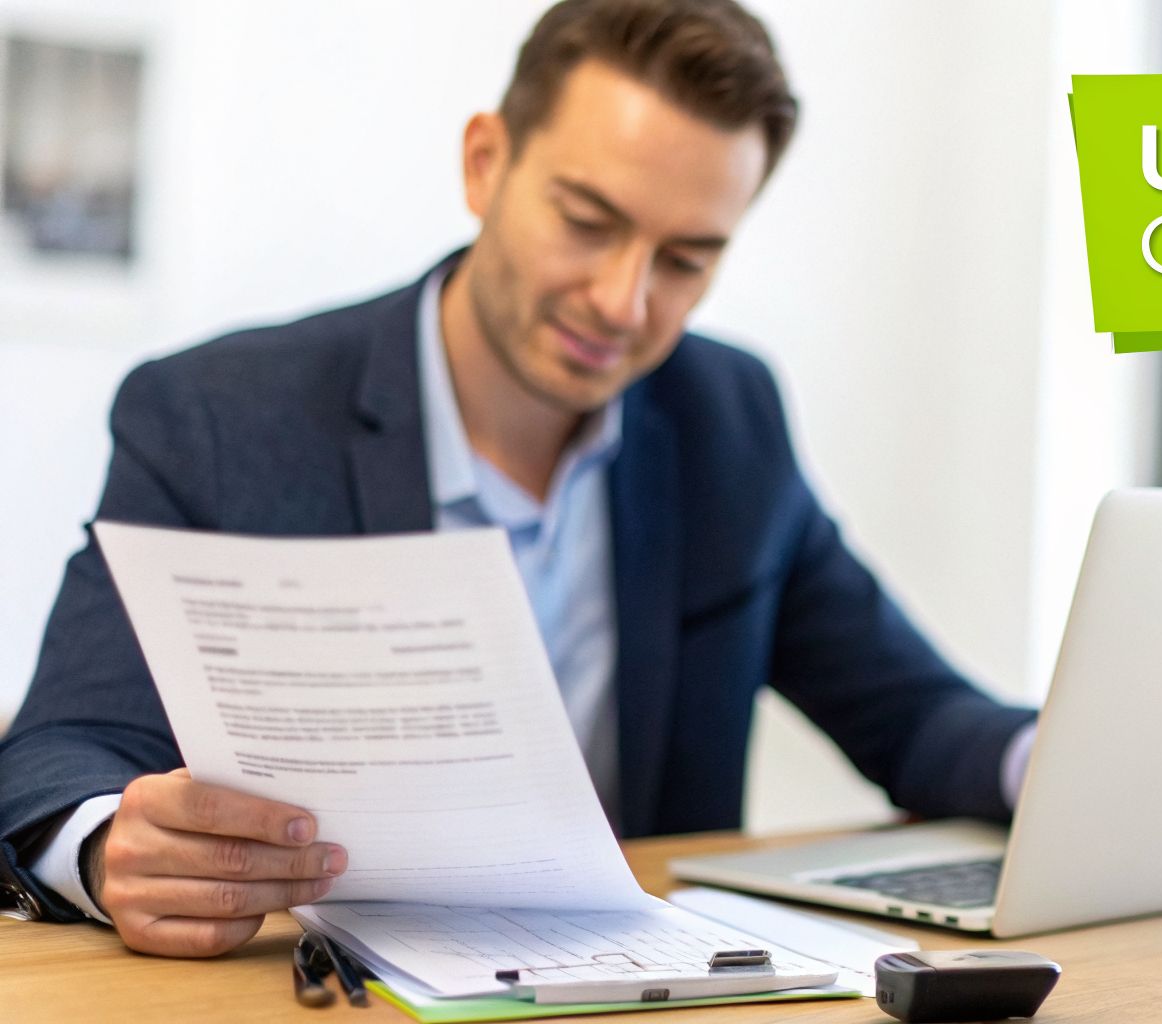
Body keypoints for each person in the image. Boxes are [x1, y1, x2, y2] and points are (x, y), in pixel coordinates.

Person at [0, 0, 1037, 958]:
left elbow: (911, 713)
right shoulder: (220, 419)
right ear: (485, 164)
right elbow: (59, 754)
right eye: (588, 221)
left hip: (645, 997)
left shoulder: (728, 421)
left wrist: (1058, 765)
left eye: (685, 260)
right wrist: (110, 848)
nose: (623, 301)